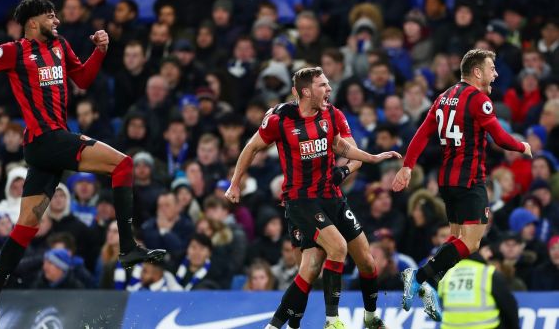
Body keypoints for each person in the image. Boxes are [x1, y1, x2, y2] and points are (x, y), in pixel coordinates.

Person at [0, 0, 165, 328]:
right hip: (44, 139)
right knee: (123, 165)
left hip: (50, 144)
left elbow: (83, 79)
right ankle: (127, 247)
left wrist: (100, 52)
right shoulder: (14, 51)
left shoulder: (61, 46)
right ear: (32, 21)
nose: (57, 19)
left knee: (26, 227)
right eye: (50, 14)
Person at [226, 67, 400, 329]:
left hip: (332, 197)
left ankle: (369, 316)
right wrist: (235, 184)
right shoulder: (279, 119)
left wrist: (362, 162)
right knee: (331, 252)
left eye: (328, 84)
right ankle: (331, 321)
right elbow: (251, 148)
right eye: (323, 85)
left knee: (363, 259)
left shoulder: (332, 114)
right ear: (305, 91)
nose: (329, 89)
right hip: (301, 201)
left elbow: (345, 148)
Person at [392, 49, 532, 322]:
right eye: (492, 68)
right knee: (471, 243)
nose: (496, 74)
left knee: (455, 239)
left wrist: (407, 166)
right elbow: (500, 138)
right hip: (470, 180)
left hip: (446, 180)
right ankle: (420, 277)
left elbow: (422, 134)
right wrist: (522, 145)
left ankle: (432, 282)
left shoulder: (443, 97)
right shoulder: (478, 100)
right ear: (477, 72)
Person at [438, 241, 519, 329]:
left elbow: (442, 303)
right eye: (487, 250)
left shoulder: (447, 275)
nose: (490, 254)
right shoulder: (488, 273)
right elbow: (509, 307)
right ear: (477, 251)